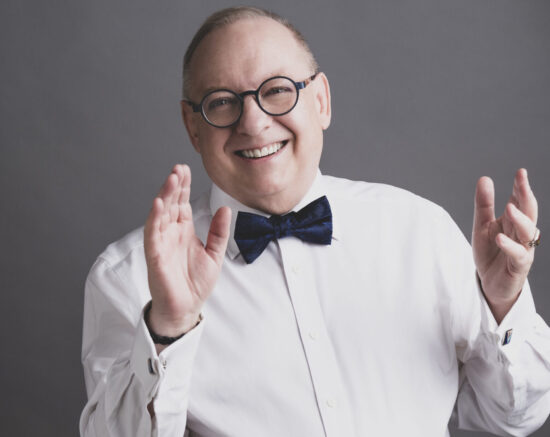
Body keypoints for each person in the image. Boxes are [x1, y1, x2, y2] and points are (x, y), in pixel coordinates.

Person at [80, 6, 550, 437]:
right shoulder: (128, 276)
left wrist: (502, 305)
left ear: (321, 100)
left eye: (277, 91)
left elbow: (516, 417)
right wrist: (169, 327)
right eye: (222, 101)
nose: (253, 123)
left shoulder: (419, 230)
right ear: (192, 126)